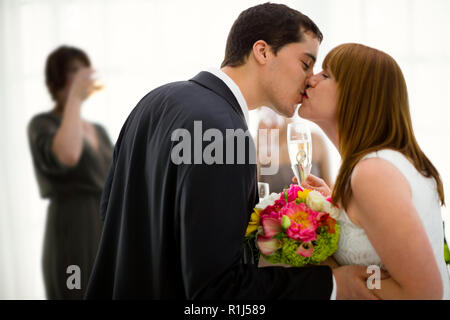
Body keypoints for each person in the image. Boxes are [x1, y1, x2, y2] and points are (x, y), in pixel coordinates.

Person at [85, 3, 377, 300]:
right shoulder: (226, 133)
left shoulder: (154, 101)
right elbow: (218, 293)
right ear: (262, 51)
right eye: (305, 63)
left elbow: (111, 209)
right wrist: (330, 285)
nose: (310, 80)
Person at [298, 43, 450, 299]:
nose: (310, 79)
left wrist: (337, 277)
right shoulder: (379, 164)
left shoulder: (373, 173)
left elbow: (425, 293)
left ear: (356, 95)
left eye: (325, 75)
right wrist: (335, 207)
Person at [27, 45, 114, 299]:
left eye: (83, 69)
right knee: (74, 292)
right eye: (74, 70)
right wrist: (74, 97)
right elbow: (68, 156)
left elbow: (116, 179)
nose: (82, 76)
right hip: (71, 230)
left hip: (103, 229)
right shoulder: (42, 124)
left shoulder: (98, 129)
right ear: (57, 79)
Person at [257, 107, 331, 193]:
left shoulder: (313, 140)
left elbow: (329, 188)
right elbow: (253, 192)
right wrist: (261, 145)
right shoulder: (258, 145)